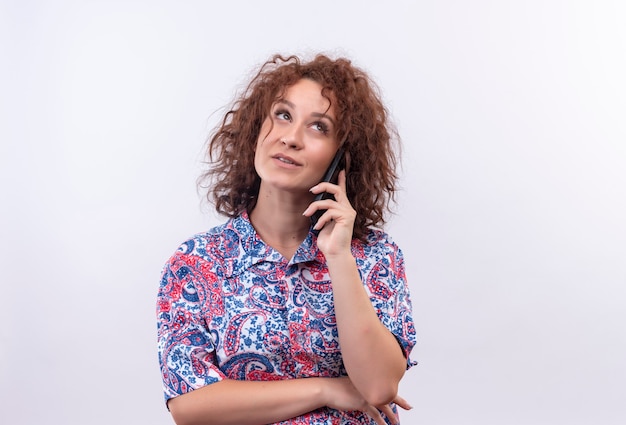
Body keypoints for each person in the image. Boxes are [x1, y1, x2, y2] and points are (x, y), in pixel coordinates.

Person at [156, 53, 417, 425]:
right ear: (255, 129)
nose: (291, 138)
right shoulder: (197, 262)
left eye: (319, 127)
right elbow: (189, 406)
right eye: (283, 115)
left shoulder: (375, 256)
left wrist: (339, 256)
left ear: (343, 158)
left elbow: (378, 387)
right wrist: (326, 388)